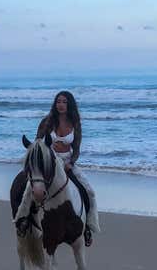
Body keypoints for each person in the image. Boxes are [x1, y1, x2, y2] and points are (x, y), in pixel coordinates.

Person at [14, 90, 100, 245]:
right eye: (58, 101)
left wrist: (71, 163)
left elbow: (77, 149)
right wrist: (45, 153)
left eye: (64, 102)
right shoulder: (47, 122)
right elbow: (37, 145)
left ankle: (87, 226)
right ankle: (23, 220)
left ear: (70, 104)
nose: (61, 105)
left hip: (67, 162)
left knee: (89, 191)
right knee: (30, 189)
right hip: (50, 162)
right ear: (55, 104)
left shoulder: (75, 123)